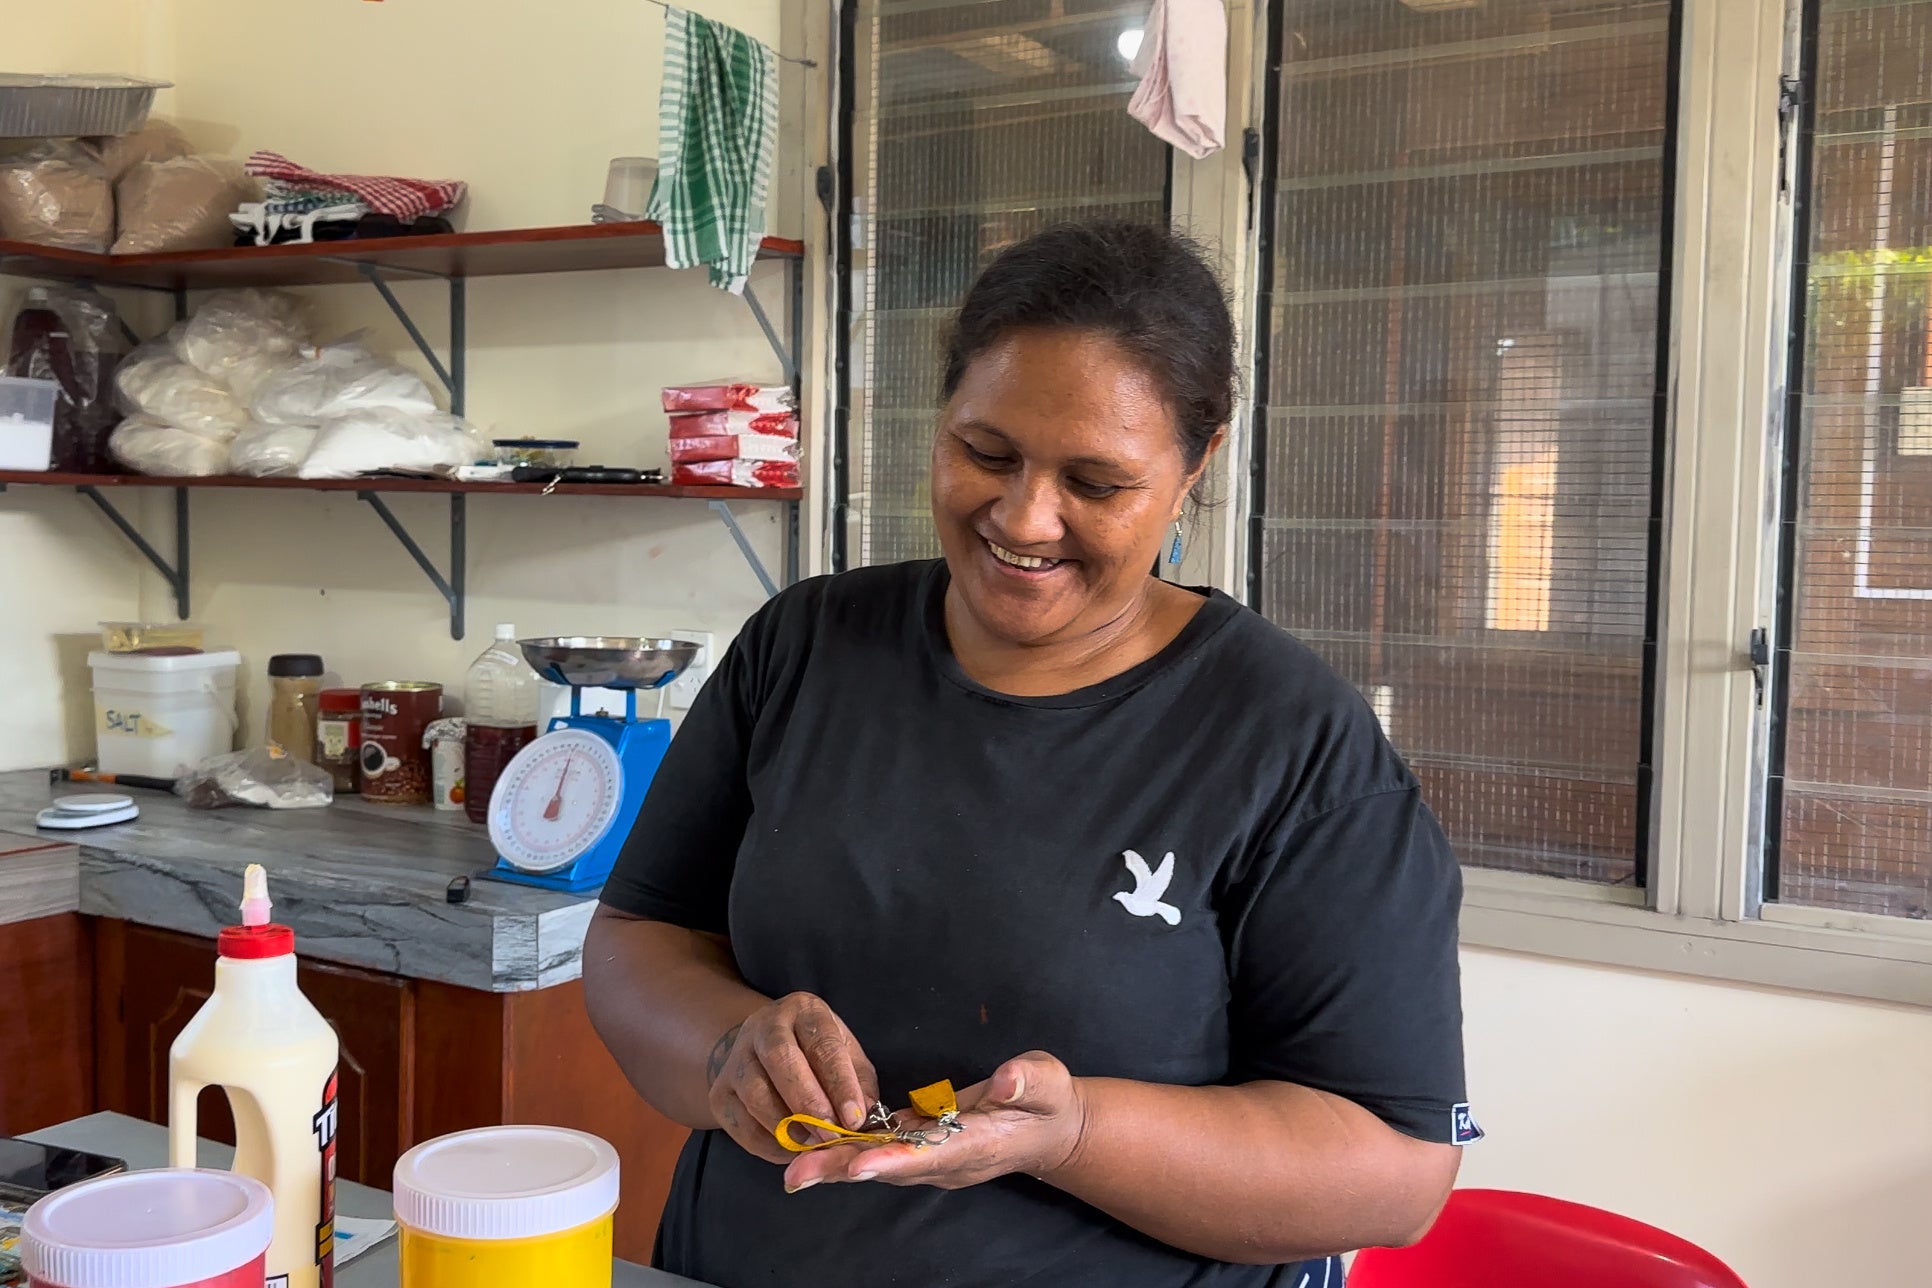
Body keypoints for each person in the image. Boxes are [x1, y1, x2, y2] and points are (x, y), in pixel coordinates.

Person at [585, 221, 1474, 1288]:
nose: (1025, 517)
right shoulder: (807, 646)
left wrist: (1075, 1132)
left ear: (1196, 465)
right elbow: (639, 936)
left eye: (1096, 483)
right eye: (987, 453)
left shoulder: (1292, 743)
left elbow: (1393, 1170)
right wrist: (729, 1048)